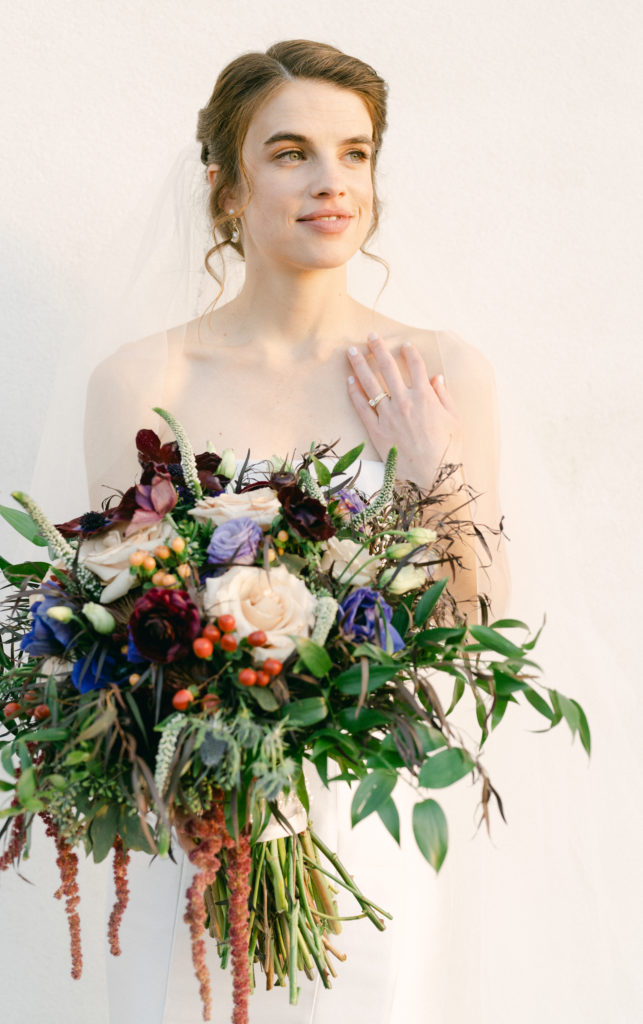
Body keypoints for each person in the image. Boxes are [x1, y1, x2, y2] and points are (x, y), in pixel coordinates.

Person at [84, 39, 510, 1024]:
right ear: (225, 189)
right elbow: (121, 619)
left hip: (364, 818)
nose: (332, 183)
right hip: (197, 822)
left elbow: (477, 618)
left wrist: (422, 467)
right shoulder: (144, 381)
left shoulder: (440, 369)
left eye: (354, 153)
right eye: (290, 153)